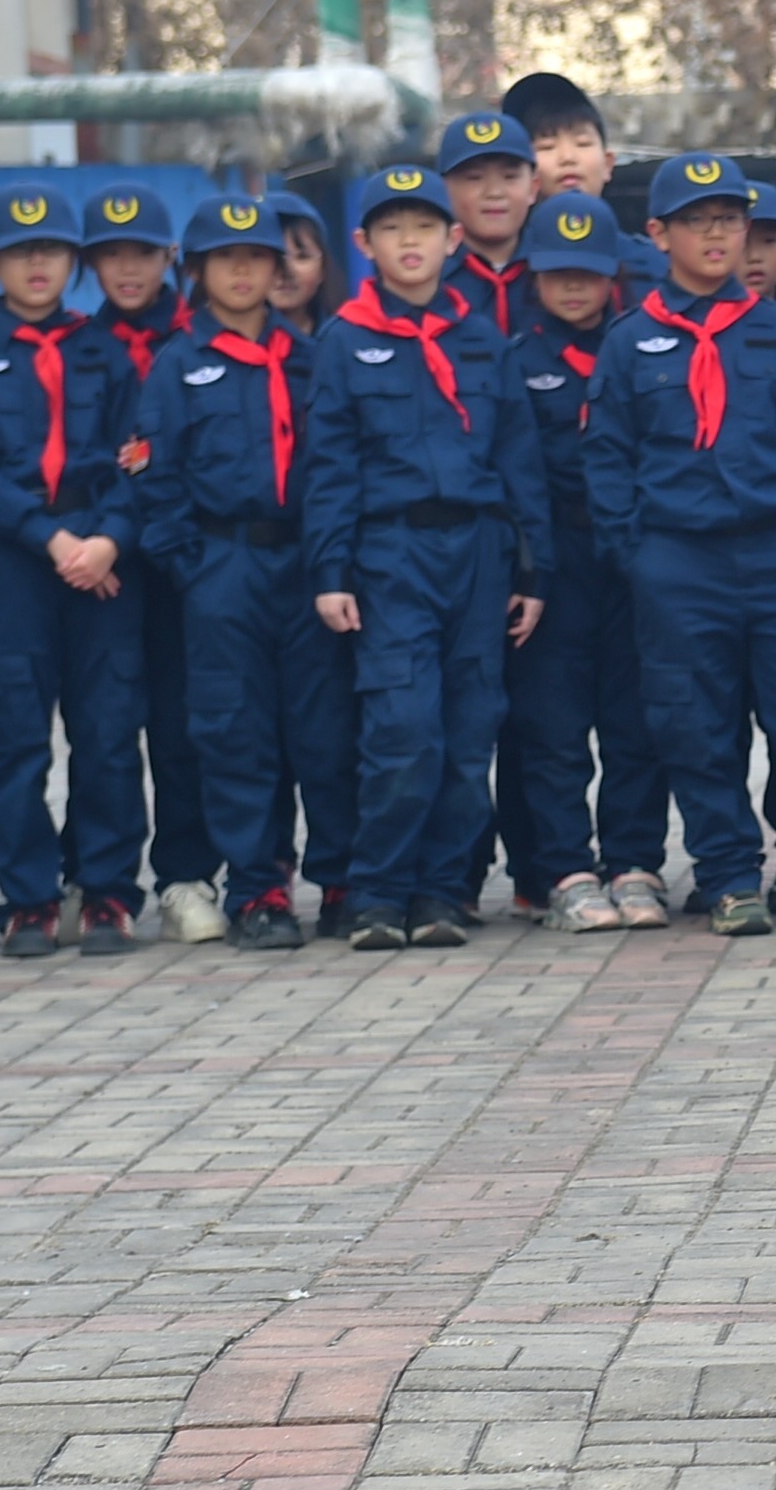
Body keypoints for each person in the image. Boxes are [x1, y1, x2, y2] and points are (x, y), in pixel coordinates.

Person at [583, 151, 776, 937]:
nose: (716, 236)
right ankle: (727, 879)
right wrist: (637, 556)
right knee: (696, 727)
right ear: (659, 234)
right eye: (696, 222)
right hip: (680, 561)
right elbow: (608, 458)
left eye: (728, 220)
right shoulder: (630, 341)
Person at [304, 163, 556, 949]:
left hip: (477, 552)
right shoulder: (344, 341)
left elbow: (519, 461)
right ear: (364, 243)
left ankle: (443, 891)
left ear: (452, 239)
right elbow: (328, 466)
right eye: (391, 229)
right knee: (402, 727)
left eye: (423, 227)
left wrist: (533, 569)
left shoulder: (482, 342)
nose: (408, 243)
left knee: (469, 729)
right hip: (391, 554)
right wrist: (330, 571)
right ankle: (378, 893)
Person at [130, 193, 357, 950]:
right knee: (236, 732)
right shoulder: (177, 364)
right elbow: (154, 475)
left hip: (306, 560)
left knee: (324, 729)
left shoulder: (311, 357)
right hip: (221, 562)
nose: (242, 273)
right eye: (224, 260)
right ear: (197, 271)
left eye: (256, 258)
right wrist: (192, 568)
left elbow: (336, 463)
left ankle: (341, 880)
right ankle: (258, 888)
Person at [0, 185, 148, 956]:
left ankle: (107, 890)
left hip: (101, 567)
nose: (37, 263)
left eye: (52, 249)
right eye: (19, 251)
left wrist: (109, 540)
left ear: (73, 263)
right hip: (9, 569)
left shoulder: (106, 353)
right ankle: (29, 897)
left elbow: (137, 458)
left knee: (107, 735)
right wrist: (51, 541)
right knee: (17, 741)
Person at [501, 187, 669, 933]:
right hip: (557, 556)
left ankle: (635, 861)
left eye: (589, 271)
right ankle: (565, 868)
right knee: (555, 725)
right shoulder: (515, 360)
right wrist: (531, 570)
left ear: (613, 275)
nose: (574, 286)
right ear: (534, 275)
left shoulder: (637, 347)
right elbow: (516, 475)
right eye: (558, 271)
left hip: (633, 551)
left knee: (636, 719)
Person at [81, 181, 223, 945]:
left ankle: (185, 874)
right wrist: (103, 539)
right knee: (103, 729)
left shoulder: (204, 338)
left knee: (181, 726)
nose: (127, 269)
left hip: (183, 561)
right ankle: (99, 880)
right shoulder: (77, 345)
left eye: (142, 253)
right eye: (110, 255)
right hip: (104, 567)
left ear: (171, 257)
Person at [505, 69, 667, 285]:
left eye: (582, 143)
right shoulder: (506, 270)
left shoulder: (655, 266)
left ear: (608, 164)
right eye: (547, 146)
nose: (568, 157)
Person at [438, 110, 537, 330]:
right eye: (474, 178)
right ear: (443, 190)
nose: (494, 193)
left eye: (510, 177)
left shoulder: (557, 266)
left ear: (533, 188)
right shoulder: (427, 275)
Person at [267, 189, 331, 334]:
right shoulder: (220, 344)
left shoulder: (344, 339)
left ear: (323, 267)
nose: (286, 271)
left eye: (302, 257)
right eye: (275, 256)